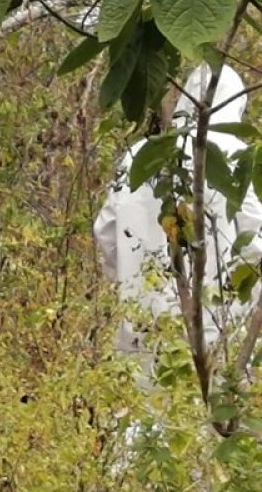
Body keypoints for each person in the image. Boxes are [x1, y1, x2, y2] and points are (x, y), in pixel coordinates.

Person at [94, 64, 262, 372]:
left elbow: (105, 232)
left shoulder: (139, 154)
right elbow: (255, 244)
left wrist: (130, 284)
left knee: (144, 410)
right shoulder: (240, 157)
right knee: (213, 408)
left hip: (143, 317)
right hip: (220, 321)